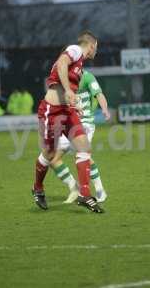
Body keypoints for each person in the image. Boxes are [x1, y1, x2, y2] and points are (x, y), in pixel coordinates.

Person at [32, 30, 104, 213]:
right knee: (49, 155)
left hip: (67, 111)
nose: (97, 51)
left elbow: (67, 83)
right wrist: (68, 90)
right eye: (97, 48)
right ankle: (38, 188)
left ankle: (85, 195)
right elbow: (62, 63)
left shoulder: (80, 64)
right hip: (51, 112)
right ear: (92, 45)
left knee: (84, 147)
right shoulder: (75, 50)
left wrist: (73, 102)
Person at [49, 70, 110, 204]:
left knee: (81, 154)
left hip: (85, 123)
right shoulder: (64, 77)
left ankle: (99, 190)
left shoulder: (87, 77)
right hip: (69, 123)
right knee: (53, 159)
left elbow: (99, 94)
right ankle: (74, 187)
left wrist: (104, 109)